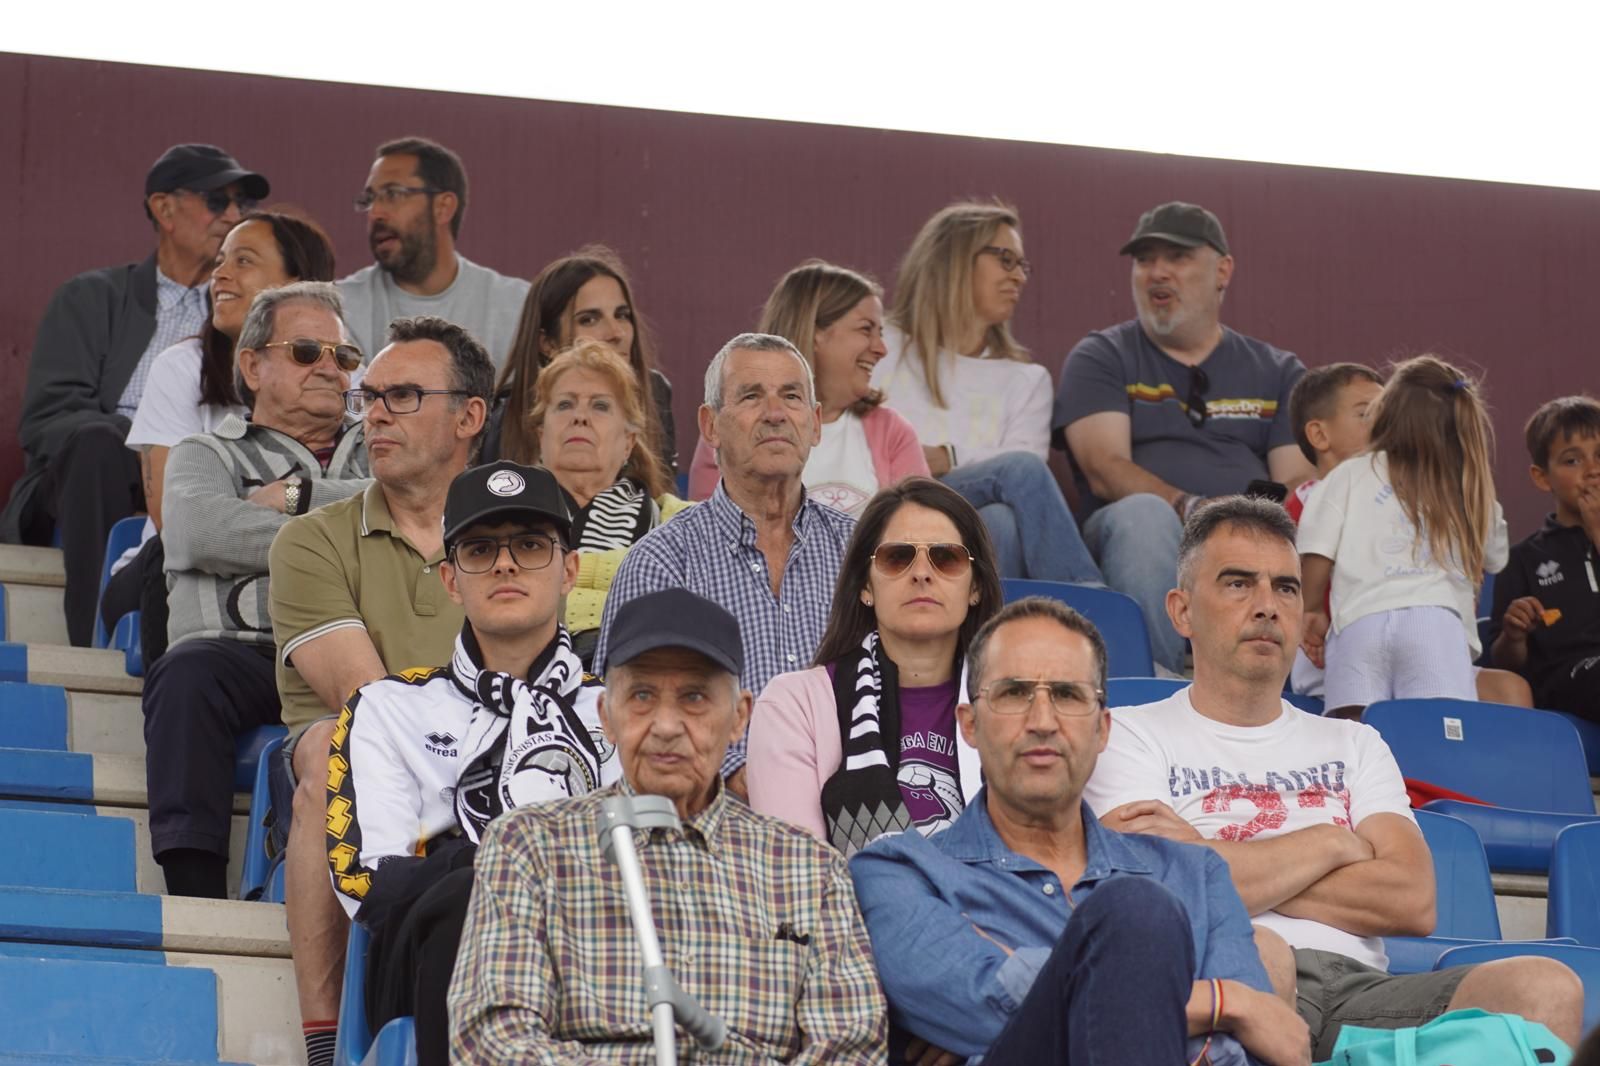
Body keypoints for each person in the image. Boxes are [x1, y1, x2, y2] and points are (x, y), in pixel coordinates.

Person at [1084, 495, 1583, 1060]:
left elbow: (1412, 901)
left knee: (1544, 987)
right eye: (1238, 583)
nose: (1268, 605)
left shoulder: (1355, 742)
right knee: (1263, 951)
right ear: (1180, 611)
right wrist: (1332, 842)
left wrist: (1212, 854)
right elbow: (1163, 888)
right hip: (1223, 972)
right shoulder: (1126, 733)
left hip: (1362, 989)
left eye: (1286, 587)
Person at [851, 596, 1310, 1066]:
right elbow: (978, 1001)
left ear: (1102, 730)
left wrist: (1040, 1000)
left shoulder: (1196, 874)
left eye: (1068, 695)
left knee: (1137, 908)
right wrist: (1225, 1003)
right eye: (1014, 693)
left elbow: (1255, 1050)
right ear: (970, 725)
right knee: (1136, 911)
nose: (1043, 722)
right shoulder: (900, 873)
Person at [448, 588, 887, 1064]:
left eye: (694, 697)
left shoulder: (807, 868)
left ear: (740, 717)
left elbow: (851, 1047)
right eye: (641, 696)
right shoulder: (529, 845)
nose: (666, 725)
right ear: (607, 718)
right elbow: (493, 1039)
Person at [328, 460, 619, 1066]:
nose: (506, 563)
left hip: (598, 947)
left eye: (531, 545)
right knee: (464, 894)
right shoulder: (387, 707)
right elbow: (370, 884)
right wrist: (503, 863)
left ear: (570, 570)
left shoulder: (622, 713)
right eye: (481, 549)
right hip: (439, 952)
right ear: (451, 580)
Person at [267, 314, 492, 1066]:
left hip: (493, 762)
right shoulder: (311, 541)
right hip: (358, 764)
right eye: (370, 397)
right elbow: (370, 703)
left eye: (402, 395)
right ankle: (326, 1043)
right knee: (340, 750)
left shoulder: (511, 536)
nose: (376, 414)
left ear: (470, 416)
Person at [143, 281, 368, 899]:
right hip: (241, 654)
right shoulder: (205, 452)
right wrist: (352, 525)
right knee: (184, 676)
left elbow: (414, 511)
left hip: (356, 654)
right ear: (252, 364)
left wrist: (293, 498)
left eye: (343, 358)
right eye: (305, 352)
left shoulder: (382, 450)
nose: (329, 368)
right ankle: (195, 897)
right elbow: (194, 532)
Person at [3, 143, 269, 646]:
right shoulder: (91, 297)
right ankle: (91, 641)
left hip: (209, 466)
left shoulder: (244, 310)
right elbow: (47, 417)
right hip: (100, 470)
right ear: (164, 208)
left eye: (243, 206)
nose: (234, 216)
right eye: (218, 201)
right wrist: (148, 439)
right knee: (98, 442)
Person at [1055, 200, 1314, 674]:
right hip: (1136, 536)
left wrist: (1241, 527)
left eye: (1177, 258)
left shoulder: (1278, 371)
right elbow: (1104, 467)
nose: (1157, 273)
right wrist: (1192, 510)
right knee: (1144, 515)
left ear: (1223, 270)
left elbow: (1297, 477)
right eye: (1145, 260)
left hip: (1247, 538)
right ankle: (1162, 681)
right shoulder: (1103, 354)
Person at [595, 332, 855, 788]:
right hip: (711, 824)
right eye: (752, 396)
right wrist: (742, 777)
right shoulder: (661, 564)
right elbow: (627, 718)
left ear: (815, 424)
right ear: (710, 425)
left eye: (791, 397)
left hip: (858, 813)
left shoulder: (859, 554)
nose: (775, 414)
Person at [105, 210, 338, 659]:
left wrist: (290, 495)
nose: (220, 275)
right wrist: (311, 526)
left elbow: (377, 498)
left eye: (244, 261)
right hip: (175, 571)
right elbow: (177, 520)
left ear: (299, 283)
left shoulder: (346, 375)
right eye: (221, 261)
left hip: (295, 576)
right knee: (165, 554)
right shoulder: (181, 368)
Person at [748, 477, 999, 850]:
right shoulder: (793, 706)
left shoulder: (1021, 701)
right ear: (865, 586)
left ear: (975, 587)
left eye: (946, 557)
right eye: (897, 557)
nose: (922, 573)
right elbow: (800, 875)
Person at [872, 202, 1100, 583]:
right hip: (888, 504)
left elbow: (1028, 470)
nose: (1019, 278)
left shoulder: (1027, 379)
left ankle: (990, 637)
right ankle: (1093, 613)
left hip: (968, 529)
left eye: (1022, 266)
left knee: (1001, 522)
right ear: (955, 257)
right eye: (1005, 259)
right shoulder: (883, 345)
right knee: (1016, 478)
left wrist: (947, 456)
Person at [1287, 362, 1532, 709]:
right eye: (1364, 412)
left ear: (1390, 415)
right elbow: (1496, 557)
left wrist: (1310, 609)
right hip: (1437, 627)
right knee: (1437, 732)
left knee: (1353, 733)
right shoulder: (1467, 484)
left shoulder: (1350, 475)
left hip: (1358, 625)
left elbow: (1316, 549)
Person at [689, 260, 928, 514]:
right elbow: (709, 533)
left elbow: (923, 531)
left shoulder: (892, 431)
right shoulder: (730, 427)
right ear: (815, 333)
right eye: (866, 330)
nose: (881, 348)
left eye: (880, 332)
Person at [522, 338, 688, 666]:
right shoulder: (504, 517)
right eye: (565, 404)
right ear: (541, 435)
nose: (580, 417)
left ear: (628, 442)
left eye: (600, 406)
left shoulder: (678, 522)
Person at [337, 137, 528, 366]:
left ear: (443, 207)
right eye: (370, 199)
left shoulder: (517, 306)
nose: (375, 212)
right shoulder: (342, 307)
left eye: (393, 194)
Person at [484, 245, 676, 468]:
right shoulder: (505, 419)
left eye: (622, 315)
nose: (617, 333)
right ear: (547, 343)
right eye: (589, 320)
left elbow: (663, 496)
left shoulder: (654, 391)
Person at [1490, 395, 1600, 715]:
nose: (1593, 471)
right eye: (1572, 461)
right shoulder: (1524, 558)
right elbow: (1506, 661)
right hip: (1567, 675)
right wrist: (1515, 634)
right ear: (1542, 477)